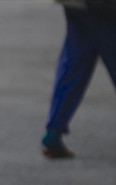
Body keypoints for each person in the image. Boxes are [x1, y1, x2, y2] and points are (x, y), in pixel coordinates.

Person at [41, 0, 116, 159]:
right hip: (107, 10)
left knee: (73, 66)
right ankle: (54, 132)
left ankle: (54, 130)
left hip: (76, 5)